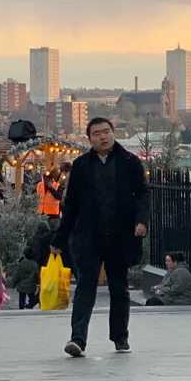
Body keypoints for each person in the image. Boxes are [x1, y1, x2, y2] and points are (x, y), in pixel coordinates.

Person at [52, 116, 149, 357]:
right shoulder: (81, 166)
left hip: (120, 235)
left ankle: (120, 337)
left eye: (106, 131)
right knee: (86, 287)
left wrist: (142, 221)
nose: (103, 137)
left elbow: (143, 194)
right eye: (97, 133)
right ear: (90, 139)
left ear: (113, 133)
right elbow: (71, 205)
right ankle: (77, 339)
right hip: (89, 237)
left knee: (119, 288)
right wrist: (60, 239)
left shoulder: (130, 162)